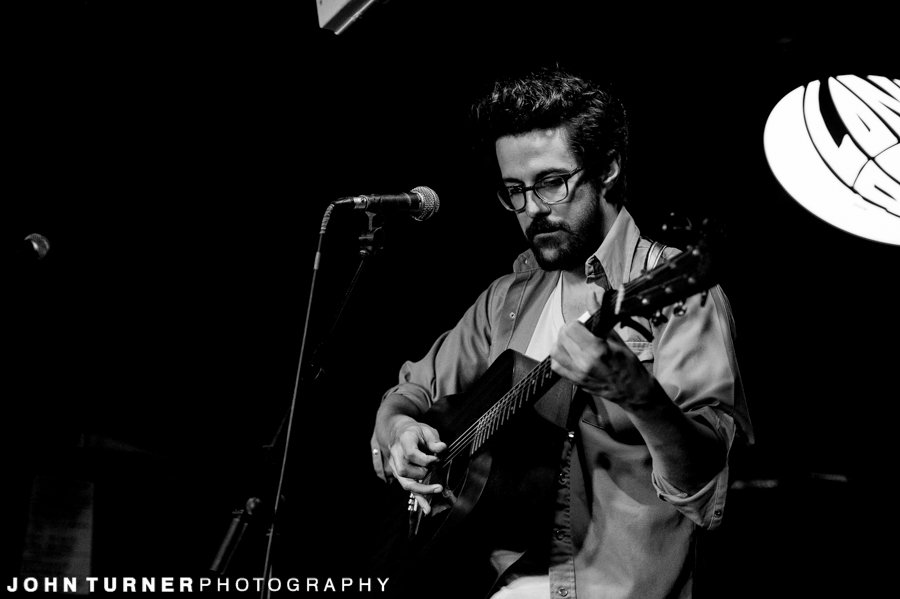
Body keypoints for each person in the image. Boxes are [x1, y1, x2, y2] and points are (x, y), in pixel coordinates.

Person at [370, 66, 752, 599]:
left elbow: (702, 484)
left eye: (551, 182)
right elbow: (408, 393)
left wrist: (636, 393)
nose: (532, 209)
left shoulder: (680, 293)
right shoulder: (506, 298)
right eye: (514, 191)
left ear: (609, 168)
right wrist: (399, 434)